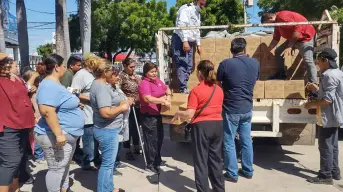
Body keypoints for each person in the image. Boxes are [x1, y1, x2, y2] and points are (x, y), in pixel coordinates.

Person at [34, 54, 85, 192]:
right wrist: (59, 134)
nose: (64, 68)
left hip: (68, 134)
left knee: (64, 166)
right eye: (63, 65)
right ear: (56, 67)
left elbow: (59, 103)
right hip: (56, 135)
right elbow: (47, 111)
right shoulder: (49, 85)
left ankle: (64, 188)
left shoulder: (55, 84)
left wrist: (74, 105)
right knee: (56, 168)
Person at [172, 60, 225, 192]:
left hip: (202, 127)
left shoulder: (196, 90)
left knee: (201, 162)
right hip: (218, 125)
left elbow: (189, 114)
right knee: (216, 161)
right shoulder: (219, 89)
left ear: (200, 73)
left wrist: (178, 112)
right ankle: (219, 189)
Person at [217, 38, 260, 182]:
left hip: (231, 108)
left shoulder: (225, 64)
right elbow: (255, 80)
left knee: (229, 141)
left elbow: (218, 85)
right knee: (246, 140)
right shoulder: (255, 63)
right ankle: (248, 170)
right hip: (247, 107)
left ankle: (232, 173)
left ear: (231, 50)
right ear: (245, 49)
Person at [90, 58, 130, 192]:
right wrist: (122, 107)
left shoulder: (99, 84)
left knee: (109, 163)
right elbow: (105, 112)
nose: (114, 73)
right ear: (105, 72)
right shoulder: (101, 87)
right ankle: (103, 189)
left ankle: (109, 188)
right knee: (107, 165)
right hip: (107, 130)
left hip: (106, 129)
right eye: (111, 70)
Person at [304, 48, 342, 185]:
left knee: (325, 146)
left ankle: (325, 175)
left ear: (325, 60)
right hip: (336, 115)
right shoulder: (338, 73)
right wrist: (316, 88)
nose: (317, 64)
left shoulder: (328, 75)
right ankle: (334, 171)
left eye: (318, 61)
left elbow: (327, 100)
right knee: (333, 145)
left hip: (328, 115)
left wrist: (311, 105)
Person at [0, 53, 35, 192]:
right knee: (10, 161)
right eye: (3, 63)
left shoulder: (16, 78)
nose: (7, 65)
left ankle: (14, 189)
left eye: (8, 61)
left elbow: (24, 97)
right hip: (6, 126)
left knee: (18, 159)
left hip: (23, 125)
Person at [261, 10, 317, 84]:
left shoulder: (282, 17)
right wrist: (267, 51)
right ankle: (281, 74)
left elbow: (298, 28)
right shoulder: (277, 23)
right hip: (293, 39)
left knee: (308, 60)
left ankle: (313, 84)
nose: (269, 27)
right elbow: (276, 38)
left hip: (305, 38)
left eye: (268, 25)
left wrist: (290, 46)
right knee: (278, 51)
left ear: (270, 18)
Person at [138, 62, 171, 173]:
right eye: (151, 72)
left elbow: (167, 89)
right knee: (151, 140)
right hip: (148, 116)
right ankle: (150, 164)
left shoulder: (158, 81)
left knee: (159, 139)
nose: (154, 73)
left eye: (155, 71)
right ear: (146, 72)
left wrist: (169, 97)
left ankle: (157, 160)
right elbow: (147, 98)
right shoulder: (144, 83)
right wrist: (162, 100)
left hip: (158, 115)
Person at [71, 53, 101, 170]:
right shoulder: (81, 75)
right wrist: (90, 98)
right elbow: (73, 92)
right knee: (89, 139)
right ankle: (87, 161)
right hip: (87, 113)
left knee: (95, 139)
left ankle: (95, 157)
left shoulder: (92, 74)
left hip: (95, 113)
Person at [171, 0, 206, 93]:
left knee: (189, 66)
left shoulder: (197, 13)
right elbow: (181, 25)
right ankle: (183, 88)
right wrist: (185, 41)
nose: (204, 2)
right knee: (182, 63)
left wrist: (198, 44)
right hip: (180, 39)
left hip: (190, 41)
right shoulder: (186, 9)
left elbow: (197, 29)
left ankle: (184, 86)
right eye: (202, 0)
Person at [119, 58, 142, 161]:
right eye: (131, 67)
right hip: (128, 107)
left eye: (134, 67)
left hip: (138, 106)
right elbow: (117, 91)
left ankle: (136, 146)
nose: (133, 69)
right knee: (128, 128)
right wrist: (126, 99)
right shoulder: (121, 76)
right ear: (124, 66)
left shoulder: (136, 76)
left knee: (136, 128)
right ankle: (127, 149)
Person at [21, 69, 46, 164]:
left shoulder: (39, 87)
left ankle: (40, 154)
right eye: (35, 78)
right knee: (35, 137)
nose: (38, 80)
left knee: (41, 136)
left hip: (41, 115)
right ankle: (39, 155)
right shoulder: (28, 89)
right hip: (34, 116)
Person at [110, 67, 130, 175]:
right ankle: (112, 167)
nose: (118, 78)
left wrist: (127, 101)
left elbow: (122, 99)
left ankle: (116, 162)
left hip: (121, 121)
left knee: (119, 143)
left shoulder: (116, 87)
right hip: (112, 122)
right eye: (116, 75)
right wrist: (126, 104)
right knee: (112, 146)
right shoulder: (107, 89)